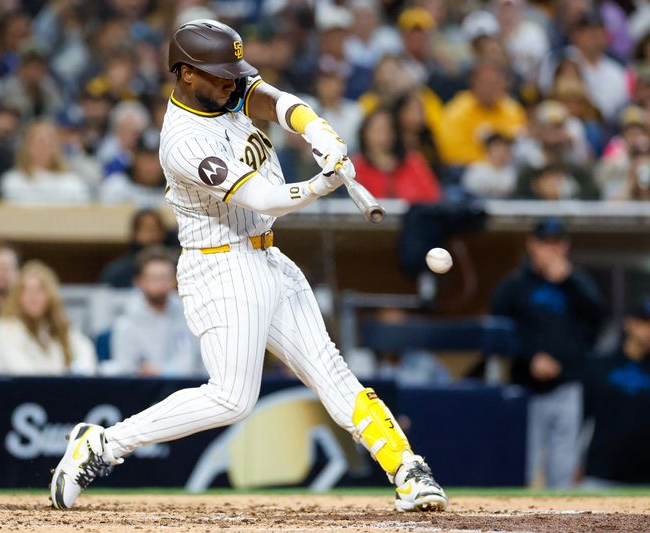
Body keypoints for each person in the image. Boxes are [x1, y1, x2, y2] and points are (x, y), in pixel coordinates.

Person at [51, 19, 447, 513]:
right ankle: (103, 445)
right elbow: (264, 197)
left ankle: (406, 468)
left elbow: (278, 102)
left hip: (266, 256)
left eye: (232, 72)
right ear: (185, 73)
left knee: (330, 370)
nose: (230, 81)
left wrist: (318, 130)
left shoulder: (224, 91)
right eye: (218, 73)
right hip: (220, 266)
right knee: (232, 398)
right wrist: (321, 184)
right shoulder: (183, 141)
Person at [491, 218, 605, 488]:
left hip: (567, 384)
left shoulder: (578, 283)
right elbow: (499, 332)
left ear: (565, 246)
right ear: (533, 245)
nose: (551, 251)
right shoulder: (514, 285)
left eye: (557, 244)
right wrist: (530, 357)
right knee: (524, 465)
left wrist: (570, 282)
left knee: (563, 467)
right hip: (525, 387)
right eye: (545, 244)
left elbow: (598, 320)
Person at [0, 261, 96, 377]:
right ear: (17, 296)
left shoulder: (59, 325)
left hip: (55, 390)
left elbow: (86, 352)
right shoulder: (5, 327)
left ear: (50, 295)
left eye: (39, 290)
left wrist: (76, 373)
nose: (33, 297)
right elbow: (23, 374)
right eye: (26, 291)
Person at [99, 246, 202, 378]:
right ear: (138, 281)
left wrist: (159, 371)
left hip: (183, 390)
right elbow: (125, 371)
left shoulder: (189, 316)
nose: (160, 284)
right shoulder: (125, 324)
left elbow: (191, 365)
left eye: (165, 277)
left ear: (174, 281)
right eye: (153, 278)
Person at [581, 299, 650, 486]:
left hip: (645, 478)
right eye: (645, 323)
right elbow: (581, 416)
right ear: (630, 324)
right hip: (601, 474)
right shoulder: (601, 365)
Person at [351, 107, 441, 203]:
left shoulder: (413, 161)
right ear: (364, 133)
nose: (381, 137)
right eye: (376, 130)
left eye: (387, 130)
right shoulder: (354, 167)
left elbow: (432, 196)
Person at [0, 119, 91, 204]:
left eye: (48, 142)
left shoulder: (72, 183)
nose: (42, 147)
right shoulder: (12, 180)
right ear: (26, 146)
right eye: (37, 141)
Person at [99, 209, 171, 288]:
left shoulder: (176, 266)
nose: (153, 235)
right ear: (135, 233)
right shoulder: (119, 272)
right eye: (148, 230)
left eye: (157, 229)